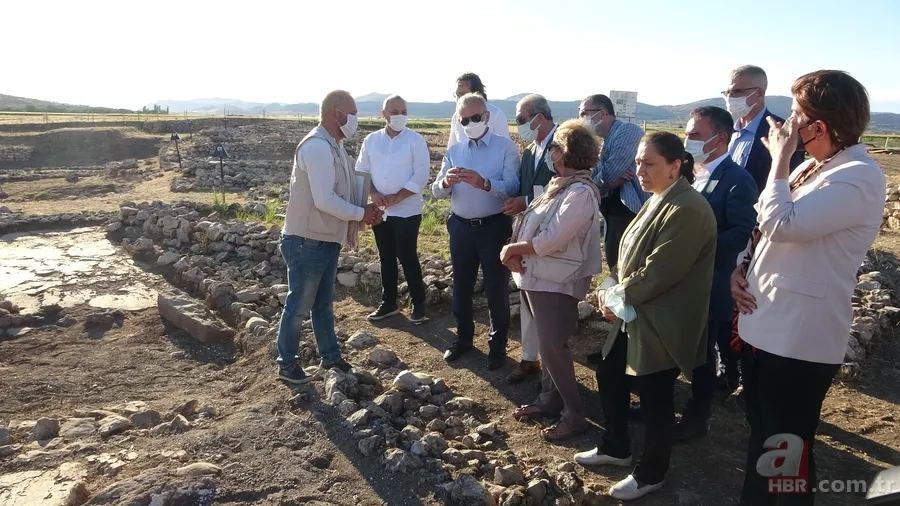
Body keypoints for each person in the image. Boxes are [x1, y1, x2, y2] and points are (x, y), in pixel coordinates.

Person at [732, 70, 886, 506]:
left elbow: (782, 224)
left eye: (798, 113)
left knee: (785, 449)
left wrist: (778, 160)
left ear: (821, 125)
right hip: (767, 325)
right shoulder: (813, 167)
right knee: (765, 437)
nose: (787, 122)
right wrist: (740, 268)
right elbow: (763, 226)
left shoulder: (859, 175)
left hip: (801, 339)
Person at [574, 132, 716, 501]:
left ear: (675, 166)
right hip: (635, 312)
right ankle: (616, 446)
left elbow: (661, 272)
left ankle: (652, 471)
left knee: (655, 397)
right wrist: (612, 291)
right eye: (638, 162)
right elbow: (631, 259)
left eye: (648, 163)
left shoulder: (688, 208)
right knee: (609, 373)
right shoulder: (658, 199)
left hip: (662, 321)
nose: (639, 169)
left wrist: (615, 295)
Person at [501, 119, 604, 440]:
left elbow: (553, 238)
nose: (552, 151)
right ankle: (549, 398)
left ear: (569, 152)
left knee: (553, 346)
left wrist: (513, 249)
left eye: (556, 146)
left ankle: (574, 415)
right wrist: (518, 249)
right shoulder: (559, 185)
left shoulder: (581, 192)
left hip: (557, 280)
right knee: (548, 345)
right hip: (538, 276)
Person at [276, 90, 384, 384]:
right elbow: (325, 199)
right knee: (299, 304)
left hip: (324, 238)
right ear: (335, 113)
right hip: (307, 239)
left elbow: (347, 190)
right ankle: (286, 364)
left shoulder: (335, 146)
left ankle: (331, 357)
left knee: (322, 304)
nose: (355, 119)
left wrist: (366, 209)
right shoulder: (317, 147)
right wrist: (361, 215)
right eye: (352, 113)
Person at [674, 106, 758, 442]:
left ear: (719, 138)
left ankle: (697, 418)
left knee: (701, 356)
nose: (687, 140)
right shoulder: (690, 174)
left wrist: (697, 249)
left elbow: (741, 231)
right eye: (687, 133)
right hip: (680, 281)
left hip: (710, 283)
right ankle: (662, 405)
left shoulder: (738, 180)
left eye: (694, 134)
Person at [432, 93, 520, 370]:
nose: (471, 123)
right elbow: (435, 191)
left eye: (476, 118)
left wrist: (485, 184)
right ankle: (464, 339)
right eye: (465, 119)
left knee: (496, 290)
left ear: (487, 117)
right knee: (461, 286)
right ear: (459, 121)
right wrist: (445, 182)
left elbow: (513, 187)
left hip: (494, 227)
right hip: (461, 227)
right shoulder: (454, 151)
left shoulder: (505, 147)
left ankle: (497, 347)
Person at [355, 95, 430, 324]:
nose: (399, 115)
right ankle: (389, 302)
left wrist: (398, 196)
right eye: (394, 111)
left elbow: (421, 174)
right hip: (380, 209)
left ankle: (419, 304)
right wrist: (373, 194)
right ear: (384, 114)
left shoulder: (415, 141)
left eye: (403, 111)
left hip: (406, 211)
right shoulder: (371, 140)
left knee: (407, 256)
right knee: (386, 256)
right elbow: (361, 170)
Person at [501, 93, 559, 384]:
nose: (519, 124)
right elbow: (527, 187)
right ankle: (529, 357)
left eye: (522, 119)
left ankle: (552, 364)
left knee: (548, 299)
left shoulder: (563, 146)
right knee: (526, 292)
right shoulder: (529, 151)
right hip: (528, 232)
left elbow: (562, 188)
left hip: (554, 233)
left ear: (541, 116)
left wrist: (525, 200)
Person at [581, 94, 649, 272]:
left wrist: (605, 181)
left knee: (627, 266)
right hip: (612, 211)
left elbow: (610, 174)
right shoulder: (605, 142)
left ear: (602, 113)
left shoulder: (627, 131)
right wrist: (606, 182)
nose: (582, 119)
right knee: (614, 263)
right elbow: (594, 178)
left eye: (584, 113)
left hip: (629, 211)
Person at [724, 65, 806, 192]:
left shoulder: (784, 132)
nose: (731, 97)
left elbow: (790, 182)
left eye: (738, 91)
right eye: (728, 92)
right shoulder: (726, 132)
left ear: (759, 93)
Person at [447, 73, 510, 149]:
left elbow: (503, 147)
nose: (458, 98)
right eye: (456, 95)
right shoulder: (456, 117)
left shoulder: (496, 114)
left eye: (462, 94)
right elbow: (452, 148)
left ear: (475, 93)